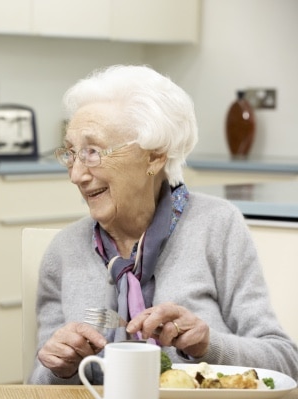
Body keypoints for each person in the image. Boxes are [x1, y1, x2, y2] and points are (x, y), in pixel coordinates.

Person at [28, 65, 298, 384]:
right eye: (72, 153)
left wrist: (208, 345)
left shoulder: (217, 227)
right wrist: (61, 367)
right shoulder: (63, 251)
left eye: (93, 152)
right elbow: (39, 384)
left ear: (154, 157)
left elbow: (285, 362)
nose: (76, 175)